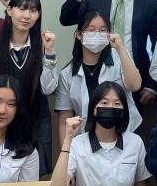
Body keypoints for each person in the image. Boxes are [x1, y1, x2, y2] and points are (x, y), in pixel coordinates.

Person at [60, 0, 157, 110]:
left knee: (130, 123)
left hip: (134, 75)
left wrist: (152, 85)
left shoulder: (149, 2)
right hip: (95, 69)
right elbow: (66, 19)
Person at [51, 81, 150, 186]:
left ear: (124, 110)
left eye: (117, 103)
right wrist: (67, 139)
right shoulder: (78, 143)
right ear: (94, 108)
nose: (111, 107)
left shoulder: (135, 143)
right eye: (104, 102)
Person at [0, 0, 57, 175]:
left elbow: (48, 89)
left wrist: (50, 53)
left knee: (33, 181)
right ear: (9, 10)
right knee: (0, 175)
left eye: (33, 10)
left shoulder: (44, 48)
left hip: (36, 121)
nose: (27, 16)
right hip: (2, 122)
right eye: (21, 9)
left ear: (38, 15)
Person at [55, 9, 143, 140]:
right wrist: (66, 149)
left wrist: (120, 48)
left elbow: (135, 86)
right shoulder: (67, 74)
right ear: (79, 35)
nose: (97, 34)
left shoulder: (119, 57)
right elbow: (64, 120)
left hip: (124, 134)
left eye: (103, 30)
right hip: (86, 140)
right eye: (91, 30)